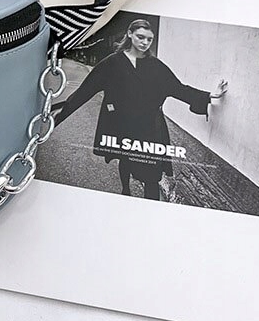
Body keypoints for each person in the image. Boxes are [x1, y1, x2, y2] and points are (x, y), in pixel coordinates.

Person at [52, 19, 228, 200]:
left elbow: (178, 88)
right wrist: (63, 113)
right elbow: (86, 90)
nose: (145, 42)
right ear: (129, 34)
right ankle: (125, 191)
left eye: (149, 39)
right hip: (123, 125)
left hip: (150, 129)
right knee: (125, 159)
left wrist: (209, 95)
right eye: (140, 37)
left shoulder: (156, 66)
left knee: (153, 175)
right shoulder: (111, 63)